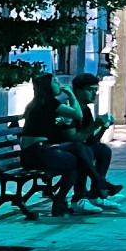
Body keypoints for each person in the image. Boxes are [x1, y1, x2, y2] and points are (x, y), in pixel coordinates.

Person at [20, 73, 113, 217]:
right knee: (78, 157)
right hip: (36, 153)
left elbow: (86, 139)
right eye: (55, 82)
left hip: (41, 150)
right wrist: (71, 95)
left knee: (81, 150)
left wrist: (102, 126)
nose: (59, 85)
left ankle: (64, 200)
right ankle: (89, 188)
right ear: (47, 87)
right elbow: (77, 115)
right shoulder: (49, 103)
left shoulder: (45, 102)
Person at [55, 73, 123, 211]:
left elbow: (91, 140)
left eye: (95, 90)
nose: (94, 94)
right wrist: (95, 125)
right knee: (83, 153)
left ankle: (95, 194)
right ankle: (79, 198)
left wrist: (103, 126)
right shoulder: (68, 109)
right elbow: (72, 139)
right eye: (90, 90)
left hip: (76, 148)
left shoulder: (86, 110)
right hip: (59, 150)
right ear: (78, 91)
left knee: (103, 150)